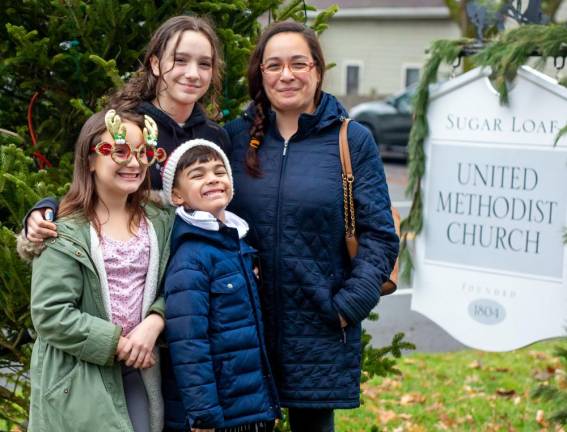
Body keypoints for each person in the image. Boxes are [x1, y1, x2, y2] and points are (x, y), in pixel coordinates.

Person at [224, 21, 399, 432]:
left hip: (319, 332)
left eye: (298, 63)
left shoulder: (351, 140)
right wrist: (49, 207)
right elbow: (162, 179)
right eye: (274, 65)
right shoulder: (233, 139)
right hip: (245, 328)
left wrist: (346, 308)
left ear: (317, 70)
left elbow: (379, 236)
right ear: (260, 74)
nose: (287, 75)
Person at [25, 109, 171, 432]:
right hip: (78, 376)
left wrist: (155, 320)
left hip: (141, 372)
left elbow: (179, 282)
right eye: (119, 151)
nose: (133, 163)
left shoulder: (160, 223)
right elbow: (50, 312)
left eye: (142, 152)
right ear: (90, 159)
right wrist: (118, 344)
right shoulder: (63, 231)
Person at [25, 15, 230, 241]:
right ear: (155, 64)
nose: (193, 74)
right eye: (180, 60)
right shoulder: (123, 128)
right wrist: (45, 209)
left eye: (204, 64)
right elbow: (85, 189)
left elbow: (228, 206)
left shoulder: (215, 137)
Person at [160, 139, 279, 432]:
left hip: (250, 406)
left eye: (219, 171)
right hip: (220, 415)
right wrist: (203, 415)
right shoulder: (191, 257)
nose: (212, 179)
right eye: (197, 175)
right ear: (176, 195)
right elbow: (189, 343)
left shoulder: (237, 242)